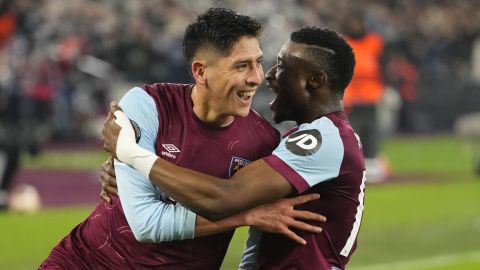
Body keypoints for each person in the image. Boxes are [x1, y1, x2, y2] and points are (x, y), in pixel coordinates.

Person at [40, 8, 325, 270]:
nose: (256, 78)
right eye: (241, 66)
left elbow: (271, 228)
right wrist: (244, 214)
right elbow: (145, 223)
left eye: (258, 63)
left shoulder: (264, 142)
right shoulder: (147, 104)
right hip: (87, 261)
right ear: (200, 72)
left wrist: (131, 158)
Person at [103, 26, 365, 270]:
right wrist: (133, 176)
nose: (268, 76)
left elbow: (223, 198)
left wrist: (132, 155)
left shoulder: (324, 139)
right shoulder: (308, 137)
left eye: (283, 67)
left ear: (315, 80)